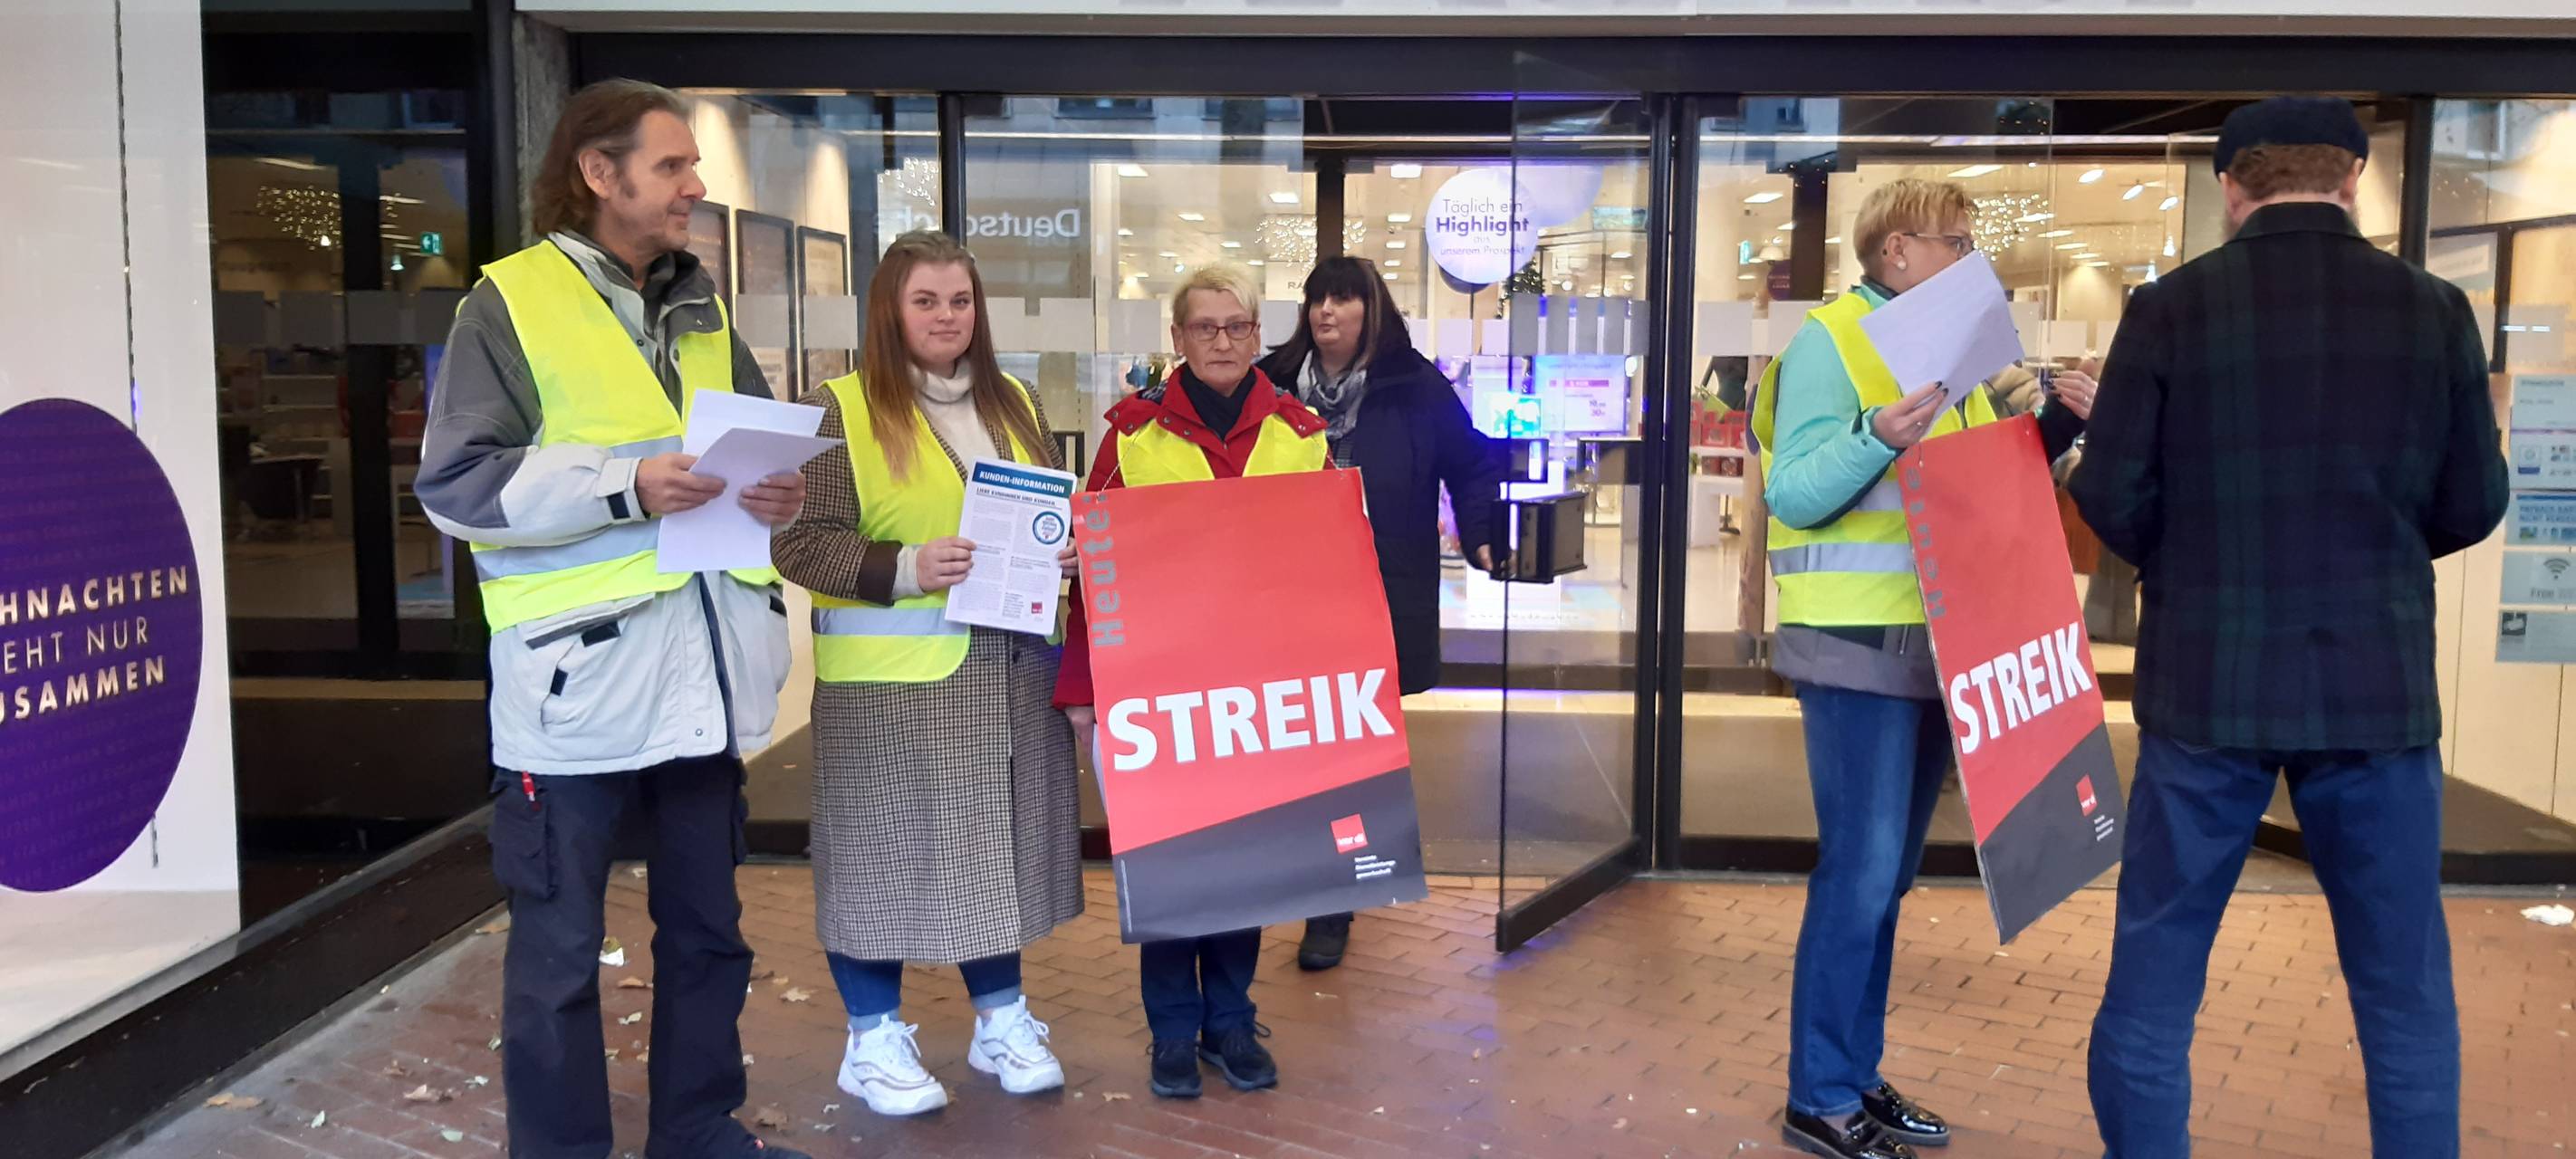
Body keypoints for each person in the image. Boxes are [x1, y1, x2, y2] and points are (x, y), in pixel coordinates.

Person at [2072, 97, 2506, 1159]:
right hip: (2377, 685)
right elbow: (2475, 499)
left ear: (2232, 188)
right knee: (2404, 990)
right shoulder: (2435, 309)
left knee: (2156, 971)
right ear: (2352, 177)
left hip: (2206, 683)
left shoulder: (2169, 308)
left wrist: (2195, 561)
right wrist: (2379, 555)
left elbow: (2110, 493)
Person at [415, 79, 808, 1159]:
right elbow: (457, 486)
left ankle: (697, 1129)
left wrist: (773, 490)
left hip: (705, 681)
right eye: (673, 165)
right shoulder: (509, 303)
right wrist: (626, 483)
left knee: (709, 935)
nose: (696, 185)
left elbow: (744, 451)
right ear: (600, 172)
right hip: (575, 689)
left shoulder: (702, 305)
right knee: (557, 956)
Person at [1748, 177, 2095, 1159]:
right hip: (1856, 644)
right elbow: (1792, 491)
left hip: (1942, 639)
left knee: (1887, 879)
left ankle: (1854, 1074)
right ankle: (1820, 1095)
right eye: (1956, 242)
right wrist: (1876, 435)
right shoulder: (1830, 342)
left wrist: (2058, 426)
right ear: (1897, 249)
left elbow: (1983, 480)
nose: (1971, 260)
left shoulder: (1952, 354)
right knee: (1859, 875)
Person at [769, 231, 1083, 1116]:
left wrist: (1062, 553)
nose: (948, 317)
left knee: (994, 848)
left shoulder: (1014, 399)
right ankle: (871, 1039)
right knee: (878, 858)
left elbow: (1037, 516)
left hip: (1009, 667)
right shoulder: (837, 410)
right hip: (893, 684)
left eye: (961, 300)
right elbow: (800, 544)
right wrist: (908, 566)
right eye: (926, 301)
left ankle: (1000, 1018)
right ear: (889, 310)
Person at [1054, 263, 1331, 1099]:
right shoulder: (1132, 438)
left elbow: (1332, 569)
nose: (1222, 341)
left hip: (1257, 692)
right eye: (1205, 327)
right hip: (1158, 689)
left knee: (1245, 860)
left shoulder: (1301, 434)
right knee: (1170, 862)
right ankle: (1173, 1029)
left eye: (1237, 326)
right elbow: (1092, 570)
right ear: (1177, 338)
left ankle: (1231, 1020)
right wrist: (1083, 688)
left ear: (1257, 334)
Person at [1254, 254, 1504, 972]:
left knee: (1351, 755)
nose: (1326, 312)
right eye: (1316, 299)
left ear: (1373, 310)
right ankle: (1272, 875)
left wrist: (1482, 534)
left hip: (1375, 592)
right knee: (1286, 748)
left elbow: (1473, 462)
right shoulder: (1269, 384)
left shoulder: (1414, 385)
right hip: (1281, 597)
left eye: (1342, 299)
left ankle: (1333, 903)